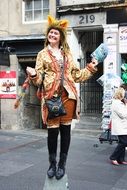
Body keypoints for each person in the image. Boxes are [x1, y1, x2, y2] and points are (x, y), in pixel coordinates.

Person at [26, 15, 98, 180]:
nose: (52, 35)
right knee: (52, 133)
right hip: (51, 97)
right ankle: (52, 164)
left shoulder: (68, 54)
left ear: (61, 36)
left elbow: (77, 76)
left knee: (66, 132)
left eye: (55, 33)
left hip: (69, 96)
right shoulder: (42, 54)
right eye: (50, 33)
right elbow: (38, 82)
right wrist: (34, 74)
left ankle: (62, 165)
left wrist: (91, 68)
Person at [110, 87, 127, 165]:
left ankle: (121, 159)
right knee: (123, 142)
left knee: (123, 142)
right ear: (120, 94)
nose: (125, 95)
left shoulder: (120, 102)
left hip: (123, 126)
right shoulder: (116, 103)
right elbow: (123, 115)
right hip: (120, 126)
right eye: (124, 93)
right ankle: (113, 157)